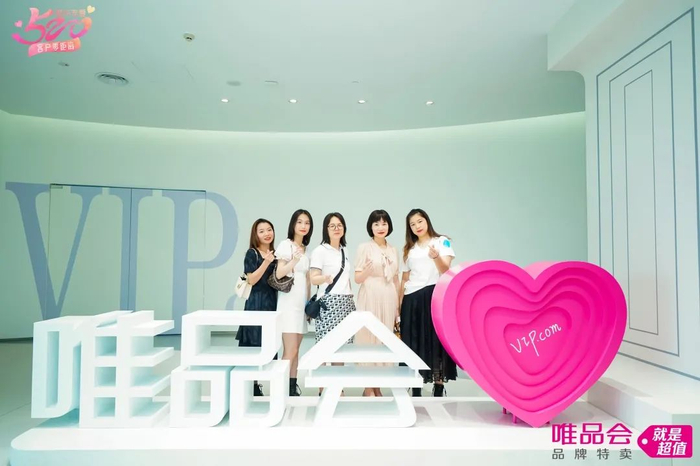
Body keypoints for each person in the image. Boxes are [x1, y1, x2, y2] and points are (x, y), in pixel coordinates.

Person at [399, 208, 457, 396]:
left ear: (427, 221)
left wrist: (436, 257)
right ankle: (415, 386)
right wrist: (399, 307)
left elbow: (445, 269)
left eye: (420, 221)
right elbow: (404, 279)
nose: (417, 226)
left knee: (436, 341)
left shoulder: (441, 241)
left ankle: (438, 385)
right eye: (412, 224)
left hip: (434, 295)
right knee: (413, 342)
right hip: (411, 298)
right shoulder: (409, 249)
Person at [354, 210, 400, 397]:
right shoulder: (365, 247)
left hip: (388, 297)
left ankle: (378, 384)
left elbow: (396, 278)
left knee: (384, 340)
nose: (381, 227)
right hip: (370, 295)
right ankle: (367, 387)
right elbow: (357, 278)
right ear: (370, 227)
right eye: (376, 224)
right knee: (368, 338)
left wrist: (398, 306)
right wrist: (367, 271)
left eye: (384, 223)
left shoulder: (393, 250)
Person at [236, 218, 277, 396]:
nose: (267, 233)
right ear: (255, 235)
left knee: (268, 344)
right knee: (253, 345)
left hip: (271, 303)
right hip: (256, 303)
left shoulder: (275, 254)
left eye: (269, 229)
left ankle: (262, 383)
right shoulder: (252, 253)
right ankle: (250, 385)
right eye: (262, 231)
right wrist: (266, 262)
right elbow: (251, 279)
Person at [274, 210, 313, 396]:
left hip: (301, 305)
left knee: (296, 350)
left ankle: (291, 387)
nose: (303, 226)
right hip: (288, 303)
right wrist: (294, 261)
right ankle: (279, 388)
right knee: (289, 350)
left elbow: (307, 280)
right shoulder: (286, 245)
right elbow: (279, 273)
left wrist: (308, 305)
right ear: (293, 224)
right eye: (300, 222)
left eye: (307, 223)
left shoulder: (306, 249)